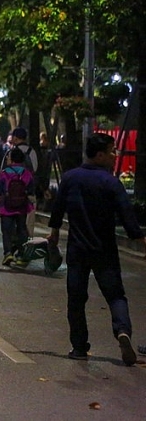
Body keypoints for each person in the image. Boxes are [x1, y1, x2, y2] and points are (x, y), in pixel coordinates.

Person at [47, 133, 146, 365]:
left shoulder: (70, 178)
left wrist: (53, 234)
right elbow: (127, 216)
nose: (115, 156)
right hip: (105, 250)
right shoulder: (111, 182)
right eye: (112, 151)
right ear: (100, 155)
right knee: (115, 295)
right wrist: (140, 239)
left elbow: (58, 209)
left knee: (76, 299)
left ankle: (79, 347)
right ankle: (122, 331)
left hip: (77, 250)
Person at [0, 147, 34, 267]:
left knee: (6, 230)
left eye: (8, 157)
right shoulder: (26, 173)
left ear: (12, 159)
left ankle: (8, 253)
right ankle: (22, 256)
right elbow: (31, 188)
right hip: (22, 206)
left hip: (6, 206)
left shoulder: (5, 173)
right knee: (22, 229)